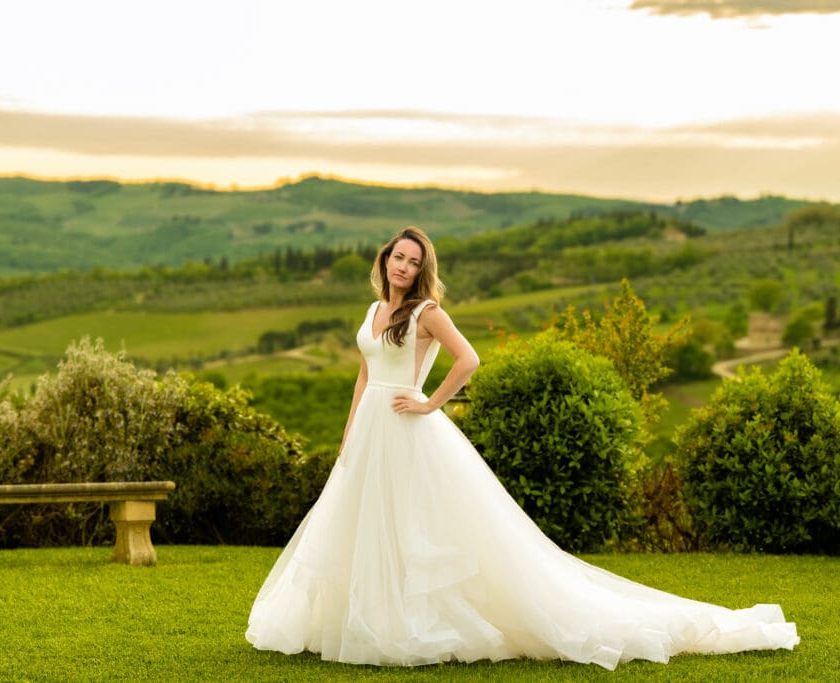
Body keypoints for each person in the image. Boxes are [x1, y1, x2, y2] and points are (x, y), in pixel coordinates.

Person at [246, 226, 798, 670]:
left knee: (415, 528)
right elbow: (364, 377)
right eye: (398, 257)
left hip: (407, 428)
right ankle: (359, 617)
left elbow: (469, 360)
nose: (404, 267)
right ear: (385, 258)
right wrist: (347, 438)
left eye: (414, 262)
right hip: (369, 432)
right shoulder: (371, 313)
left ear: (422, 271)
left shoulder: (425, 313)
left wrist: (427, 403)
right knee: (365, 525)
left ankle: (410, 621)